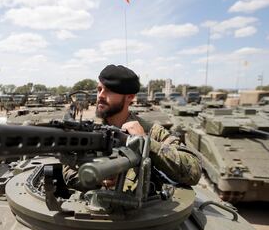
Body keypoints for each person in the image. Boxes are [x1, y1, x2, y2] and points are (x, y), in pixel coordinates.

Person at [63, 64, 202, 190]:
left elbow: (193, 171)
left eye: (109, 90)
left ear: (130, 97)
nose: (100, 95)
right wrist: (97, 179)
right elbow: (68, 172)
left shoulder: (151, 131)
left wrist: (146, 143)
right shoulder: (88, 130)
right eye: (99, 89)